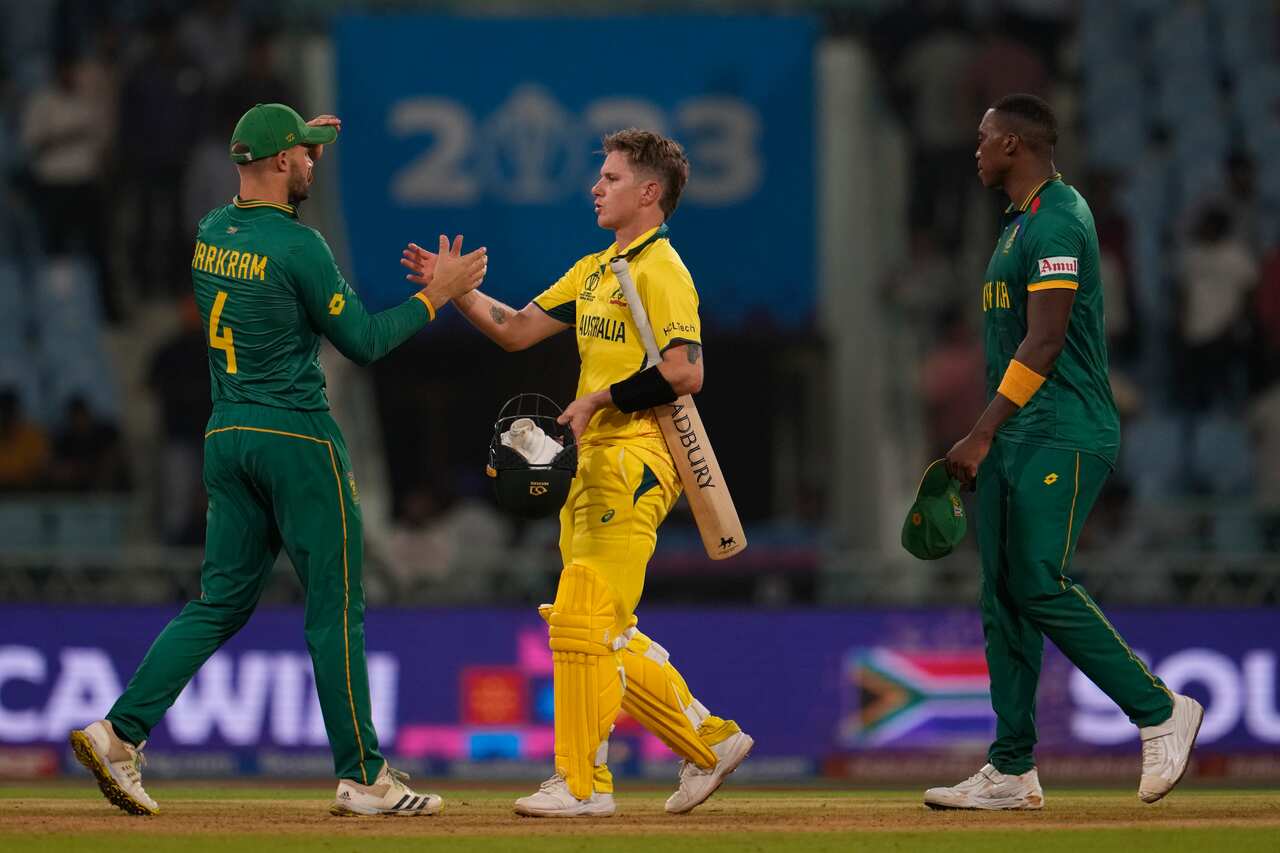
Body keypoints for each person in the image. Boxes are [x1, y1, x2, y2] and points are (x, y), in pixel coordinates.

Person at [69, 103, 487, 817]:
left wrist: (297, 140)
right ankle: (364, 776)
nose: (313, 164)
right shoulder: (301, 247)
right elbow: (364, 341)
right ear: (279, 160)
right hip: (297, 437)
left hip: (227, 436)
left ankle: (118, 732)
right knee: (335, 610)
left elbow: (265, 210)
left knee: (218, 603)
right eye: (304, 154)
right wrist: (437, 295)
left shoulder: (211, 230)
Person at [403, 129, 752, 817]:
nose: (596, 187)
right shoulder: (595, 270)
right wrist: (457, 293)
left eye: (612, 178)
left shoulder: (661, 269)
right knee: (598, 627)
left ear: (649, 193)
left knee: (583, 616)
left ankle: (584, 785)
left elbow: (686, 370)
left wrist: (597, 399)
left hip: (638, 456)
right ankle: (710, 741)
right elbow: (515, 329)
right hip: (591, 462)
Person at [926, 94, 1203, 810]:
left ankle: (1159, 709)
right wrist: (994, 432)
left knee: (1037, 581)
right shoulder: (1017, 225)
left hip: (1063, 428)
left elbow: (1046, 340)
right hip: (1020, 431)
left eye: (985, 137)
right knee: (1003, 597)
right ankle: (1012, 768)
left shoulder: (1058, 219)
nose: (976, 148)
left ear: (1013, 144)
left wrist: (982, 429)